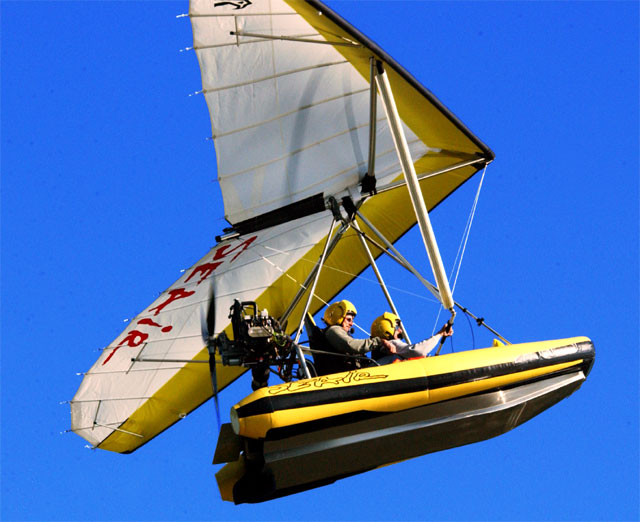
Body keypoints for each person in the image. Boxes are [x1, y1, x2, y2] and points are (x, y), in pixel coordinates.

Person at [322, 300, 396, 363]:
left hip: (357, 373)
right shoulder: (333, 330)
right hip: (348, 373)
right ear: (337, 317)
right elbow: (351, 345)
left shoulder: (336, 333)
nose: (351, 324)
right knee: (395, 359)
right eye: (348, 319)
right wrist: (379, 341)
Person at [370, 312, 453, 362]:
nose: (400, 330)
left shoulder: (378, 353)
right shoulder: (392, 343)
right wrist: (439, 334)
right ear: (388, 329)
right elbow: (418, 351)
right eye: (397, 327)